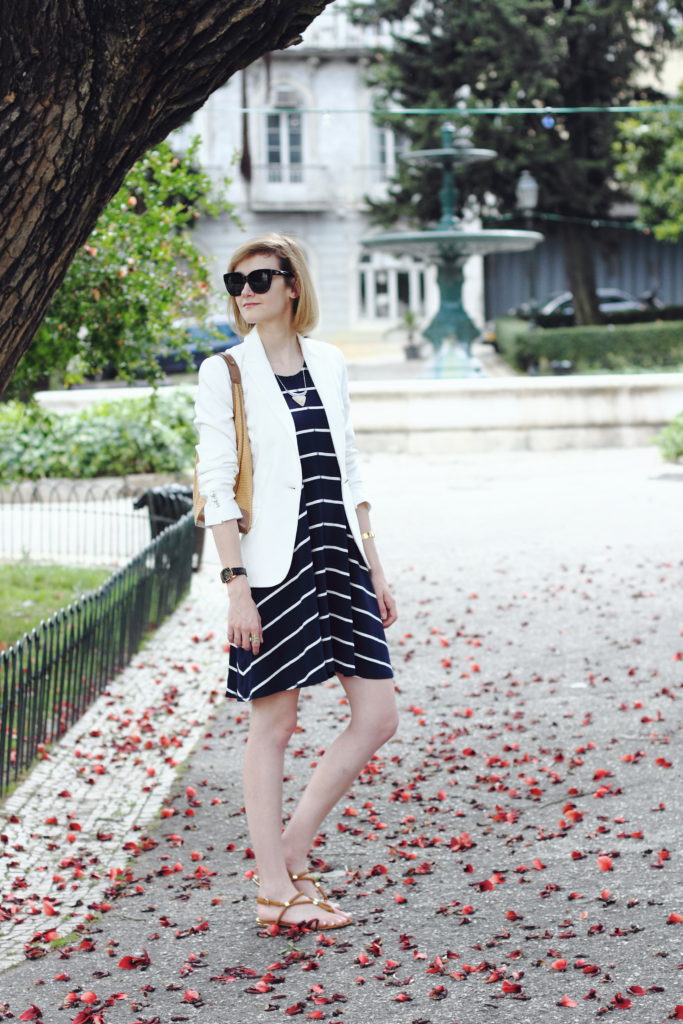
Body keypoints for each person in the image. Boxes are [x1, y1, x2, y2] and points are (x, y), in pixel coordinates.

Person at [194, 233, 398, 931]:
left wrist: (373, 559)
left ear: (292, 286)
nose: (244, 292)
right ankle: (276, 889)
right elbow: (215, 488)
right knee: (273, 721)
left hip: (337, 553)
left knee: (377, 716)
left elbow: (350, 463)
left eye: (258, 279)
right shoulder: (223, 371)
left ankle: (287, 854)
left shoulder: (330, 362)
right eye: (235, 281)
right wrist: (235, 587)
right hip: (271, 567)